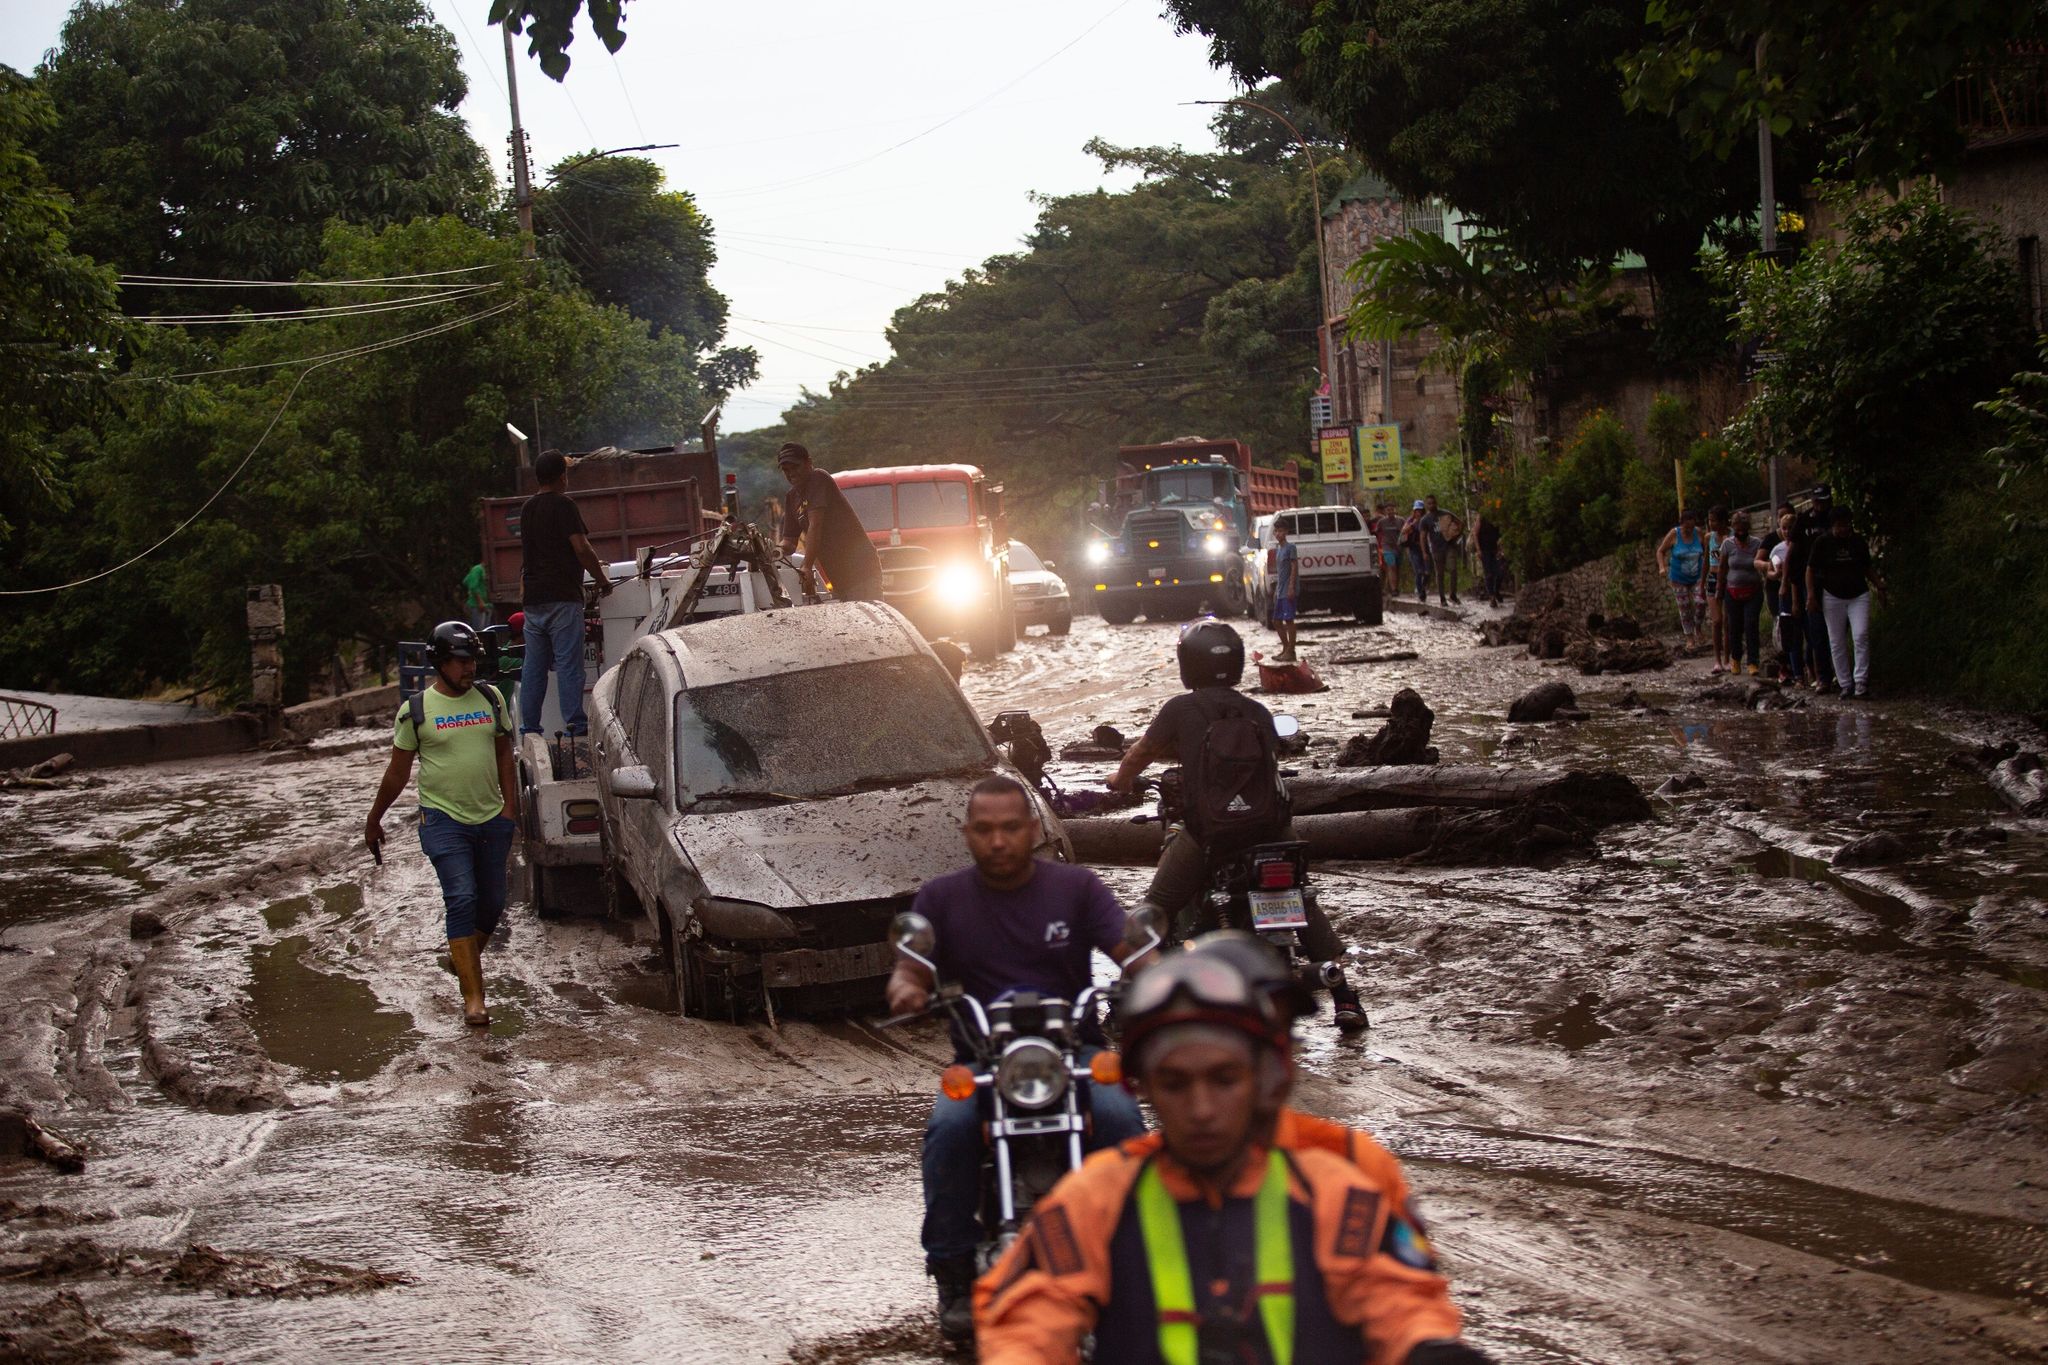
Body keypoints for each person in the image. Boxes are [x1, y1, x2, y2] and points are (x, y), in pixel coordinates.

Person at [973, 942, 1490, 1365]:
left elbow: (1397, 1297)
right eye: (1175, 1083)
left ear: (1270, 1072)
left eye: (1225, 1078)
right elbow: (1027, 1314)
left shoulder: (1340, 1179)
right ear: (1144, 1087)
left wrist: (1428, 1349)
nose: (1201, 1109)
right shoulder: (1099, 1196)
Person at [884, 775, 1149, 1342]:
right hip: (984, 1060)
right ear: (967, 835)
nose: (998, 841)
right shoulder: (941, 897)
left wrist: (1156, 975)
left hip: (1074, 1054)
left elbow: (1128, 945)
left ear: (1033, 830)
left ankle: (1133, 1259)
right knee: (950, 1129)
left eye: (1010, 828)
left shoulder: (1076, 888)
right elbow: (913, 962)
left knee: (1124, 1118)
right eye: (984, 830)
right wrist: (907, 984)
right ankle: (953, 1274)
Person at [1108, 619, 1367, 1033]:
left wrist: (1119, 780)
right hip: (1272, 831)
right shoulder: (1258, 711)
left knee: (1154, 909)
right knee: (1301, 898)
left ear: (1186, 663)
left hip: (1210, 834)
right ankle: (1346, 997)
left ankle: (1122, 1008)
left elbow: (1141, 753)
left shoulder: (1178, 709)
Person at [363, 622, 517, 1029]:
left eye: (472, 662)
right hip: (442, 820)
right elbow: (397, 775)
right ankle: (474, 999)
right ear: (440, 662)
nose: (470, 670)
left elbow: (505, 755)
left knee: (493, 903)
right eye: (462, 662)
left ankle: (459, 959)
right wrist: (374, 817)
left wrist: (510, 811)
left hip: (491, 817)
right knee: (462, 897)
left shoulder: (491, 698)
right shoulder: (415, 711)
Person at [518, 449, 613, 738]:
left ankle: (530, 728)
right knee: (569, 665)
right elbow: (582, 549)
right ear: (563, 476)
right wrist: (603, 581)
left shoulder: (527, 509)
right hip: (562, 598)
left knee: (533, 669)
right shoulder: (564, 506)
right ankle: (576, 724)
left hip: (533, 601)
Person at [776, 441, 884, 601]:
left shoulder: (818, 478)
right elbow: (789, 543)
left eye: (795, 467)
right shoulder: (792, 497)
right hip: (839, 576)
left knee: (864, 621)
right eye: (786, 470)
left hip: (861, 570)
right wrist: (772, 552)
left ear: (809, 462)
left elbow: (815, 524)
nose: (791, 473)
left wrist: (806, 565)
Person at [1807, 505, 1886, 699]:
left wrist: (1879, 586)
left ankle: (1861, 681)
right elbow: (1810, 569)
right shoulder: (1822, 542)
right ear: (1833, 525)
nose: (1843, 530)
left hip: (1858, 594)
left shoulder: (1857, 541)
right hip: (1831, 595)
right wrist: (1811, 595)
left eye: (1846, 525)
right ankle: (1845, 683)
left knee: (1860, 635)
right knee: (1836, 640)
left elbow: (1867, 567)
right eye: (1839, 526)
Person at [1795, 486, 1838, 693]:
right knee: (1816, 630)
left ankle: (1840, 674)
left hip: (1836, 580)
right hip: (1810, 579)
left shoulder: (1836, 519)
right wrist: (1790, 584)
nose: (1820, 505)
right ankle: (1823, 677)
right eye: (1817, 501)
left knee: (1838, 631)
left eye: (1824, 501)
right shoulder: (1803, 521)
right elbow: (1793, 553)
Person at [1761, 507, 1805, 684]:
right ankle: (1796, 673)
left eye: (1790, 528)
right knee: (1789, 634)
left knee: (1808, 632)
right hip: (1784, 593)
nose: (1787, 532)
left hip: (1802, 590)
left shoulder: (1804, 546)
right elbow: (1769, 572)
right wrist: (1776, 574)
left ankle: (1812, 671)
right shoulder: (1776, 548)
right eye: (1784, 528)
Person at [1718, 510, 1764, 676]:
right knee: (1734, 627)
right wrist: (1719, 589)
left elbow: (1761, 562)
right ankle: (1735, 659)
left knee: (1751, 624)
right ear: (1733, 528)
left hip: (1753, 591)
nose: (1741, 532)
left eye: (1744, 528)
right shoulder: (1727, 544)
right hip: (1732, 591)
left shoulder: (1757, 543)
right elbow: (1723, 568)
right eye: (1738, 528)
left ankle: (1753, 661)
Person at [1656, 508, 1708, 650]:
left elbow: (1707, 550)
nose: (1689, 530)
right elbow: (1660, 551)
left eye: (1691, 527)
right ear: (1681, 524)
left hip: (1697, 575)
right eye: (1686, 527)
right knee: (1684, 608)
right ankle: (1689, 637)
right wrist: (1662, 567)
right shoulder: (1674, 534)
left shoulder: (1698, 533)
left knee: (1701, 602)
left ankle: (1697, 627)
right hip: (1678, 577)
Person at [1703, 505, 1730, 674]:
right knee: (1717, 620)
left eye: (1713, 520)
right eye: (1709, 520)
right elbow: (1706, 560)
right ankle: (1717, 660)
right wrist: (1701, 582)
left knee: (1728, 621)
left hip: (1729, 579)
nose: (1711, 523)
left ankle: (1728, 658)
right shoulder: (1708, 538)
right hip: (1712, 579)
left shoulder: (1732, 536)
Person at [1269, 518, 1299, 662]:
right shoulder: (1278, 550)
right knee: (1276, 621)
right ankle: (1286, 648)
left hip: (1288, 589)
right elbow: (1280, 572)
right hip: (1280, 590)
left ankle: (1291, 651)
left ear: (1286, 532)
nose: (1278, 534)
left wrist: (1291, 587)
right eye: (1276, 531)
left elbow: (1294, 568)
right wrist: (1276, 590)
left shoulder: (1290, 548)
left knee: (1289, 620)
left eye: (1281, 531)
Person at [1426, 495, 1462, 606]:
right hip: (1436, 549)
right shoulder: (1425, 519)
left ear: (1436, 503)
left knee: (1453, 569)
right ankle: (1442, 598)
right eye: (1429, 503)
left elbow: (1460, 523)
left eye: (1433, 503)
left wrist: (1455, 535)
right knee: (1440, 573)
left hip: (1449, 546)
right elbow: (1422, 536)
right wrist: (1424, 551)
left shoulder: (1445, 513)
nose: (1432, 505)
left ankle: (1453, 595)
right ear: (1426, 505)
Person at [1401, 500, 1430, 603]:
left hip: (1426, 548)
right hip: (1414, 548)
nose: (1419, 512)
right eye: (1417, 510)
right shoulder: (1411, 520)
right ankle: (1420, 591)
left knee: (1427, 572)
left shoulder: (1426, 520)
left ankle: (1423, 588)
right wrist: (1413, 524)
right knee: (1418, 571)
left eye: (1420, 510)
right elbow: (1404, 531)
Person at [1375, 502, 1404, 597]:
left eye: (1392, 509)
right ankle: (1394, 589)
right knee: (1391, 567)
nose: (1390, 512)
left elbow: (1406, 532)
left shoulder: (1401, 521)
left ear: (1395, 510)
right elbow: (1376, 532)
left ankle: (1395, 587)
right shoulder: (1382, 522)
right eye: (1388, 510)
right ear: (1385, 511)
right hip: (1387, 547)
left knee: (1397, 568)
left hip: (1398, 547)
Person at [1474, 513, 1504, 607]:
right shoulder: (1481, 516)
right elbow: (1475, 533)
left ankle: (1496, 591)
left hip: (1495, 549)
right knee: (1488, 574)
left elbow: (1501, 534)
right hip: (1484, 550)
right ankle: (1492, 597)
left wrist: (1501, 548)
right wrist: (1478, 549)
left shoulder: (1498, 515)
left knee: (1500, 572)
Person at [461, 560, 490, 632]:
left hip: (486, 605)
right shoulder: (478, 569)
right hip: (477, 605)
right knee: (479, 632)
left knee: (486, 631)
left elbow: (466, 581)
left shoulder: (483, 570)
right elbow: (472, 586)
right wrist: (480, 601)